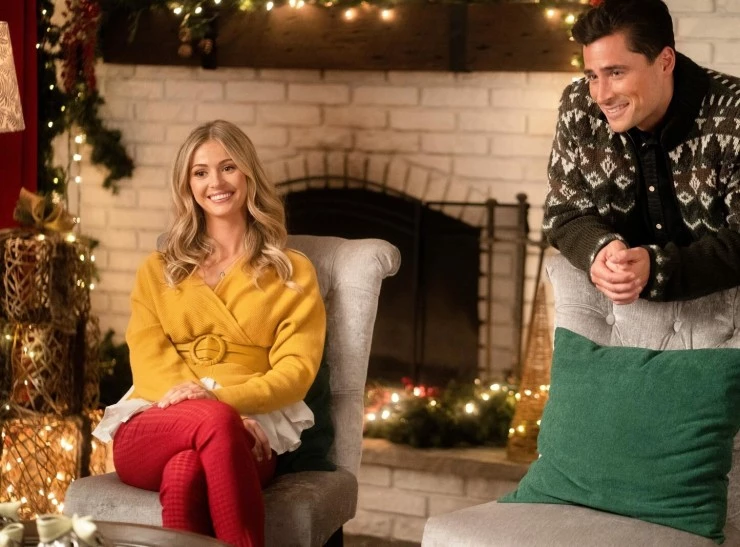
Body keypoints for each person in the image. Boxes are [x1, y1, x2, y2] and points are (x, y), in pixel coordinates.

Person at [93, 120, 326, 547]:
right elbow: (146, 358)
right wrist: (218, 412)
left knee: (185, 474)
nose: (215, 182)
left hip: (250, 433)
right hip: (156, 418)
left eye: (228, 167)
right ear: (188, 185)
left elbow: (296, 372)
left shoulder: (291, 271)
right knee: (215, 422)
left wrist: (220, 402)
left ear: (248, 174)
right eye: (200, 172)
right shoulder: (158, 269)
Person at [543, 0, 740, 304]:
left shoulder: (734, 115)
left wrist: (659, 269)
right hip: (622, 306)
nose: (601, 95)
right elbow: (564, 211)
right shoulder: (578, 107)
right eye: (593, 76)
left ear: (665, 62)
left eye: (616, 72)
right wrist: (600, 247)